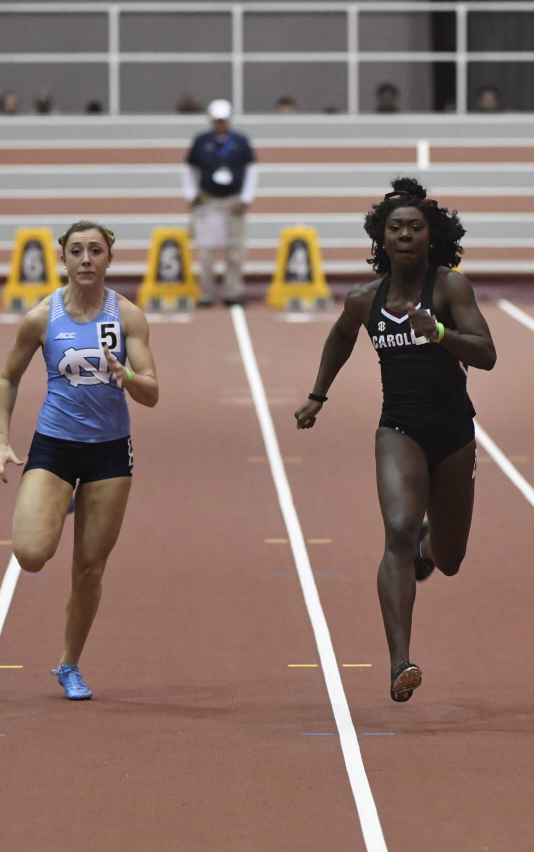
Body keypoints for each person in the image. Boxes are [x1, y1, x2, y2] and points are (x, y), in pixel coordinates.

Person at [294, 178, 497, 703]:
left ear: (432, 237)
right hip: (398, 429)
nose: (405, 235)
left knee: (448, 559)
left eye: (415, 228)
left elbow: (487, 353)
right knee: (398, 530)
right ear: (380, 239)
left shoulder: (451, 288)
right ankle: (400, 662)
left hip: (454, 433)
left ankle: (431, 548)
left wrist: (439, 335)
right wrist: (318, 394)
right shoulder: (365, 299)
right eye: (395, 228)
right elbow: (340, 336)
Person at [0, 220, 160, 699]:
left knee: (89, 569)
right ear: (63, 258)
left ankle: (69, 664)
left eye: (95, 251)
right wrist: (1, 440)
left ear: (108, 260)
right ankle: (63, 500)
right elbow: (6, 377)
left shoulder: (129, 317)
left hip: (108, 453)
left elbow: (153, 393)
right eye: (76, 251)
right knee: (32, 555)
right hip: (55, 446)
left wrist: (128, 377)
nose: (86, 259)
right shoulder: (42, 317)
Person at [182, 98, 258, 307]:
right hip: (208, 200)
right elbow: (189, 169)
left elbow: (251, 170)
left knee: (236, 250)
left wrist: (246, 198)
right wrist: (191, 195)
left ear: (229, 120)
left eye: (223, 120)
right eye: (216, 120)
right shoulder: (201, 141)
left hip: (233, 200)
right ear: (211, 120)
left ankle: (233, 292)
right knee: (207, 251)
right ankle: (206, 293)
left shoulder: (241, 141)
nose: (220, 124)